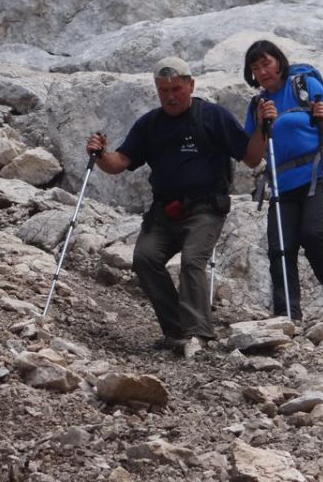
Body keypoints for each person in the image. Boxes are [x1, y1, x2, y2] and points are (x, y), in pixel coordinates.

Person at [86, 56, 274, 355]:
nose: (171, 96)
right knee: (145, 258)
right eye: (164, 91)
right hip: (164, 212)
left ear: (190, 85)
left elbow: (251, 158)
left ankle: (200, 334)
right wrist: (99, 154)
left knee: (192, 261)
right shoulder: (150, 124)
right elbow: (119, 163)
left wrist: (262, 129)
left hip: (206, 209)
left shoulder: (213, 117)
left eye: (176, 89)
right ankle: (176, 332)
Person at [242, 40, 323, 320]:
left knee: (313, 232)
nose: (263, 71)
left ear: (279, 61)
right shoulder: (258, 105)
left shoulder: (303, 86)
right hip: (283, 182)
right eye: (256, 68)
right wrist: (260, 126)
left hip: (321, 171)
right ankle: (287, 314)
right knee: (280, 245)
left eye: (266, 63)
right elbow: (252, 158)